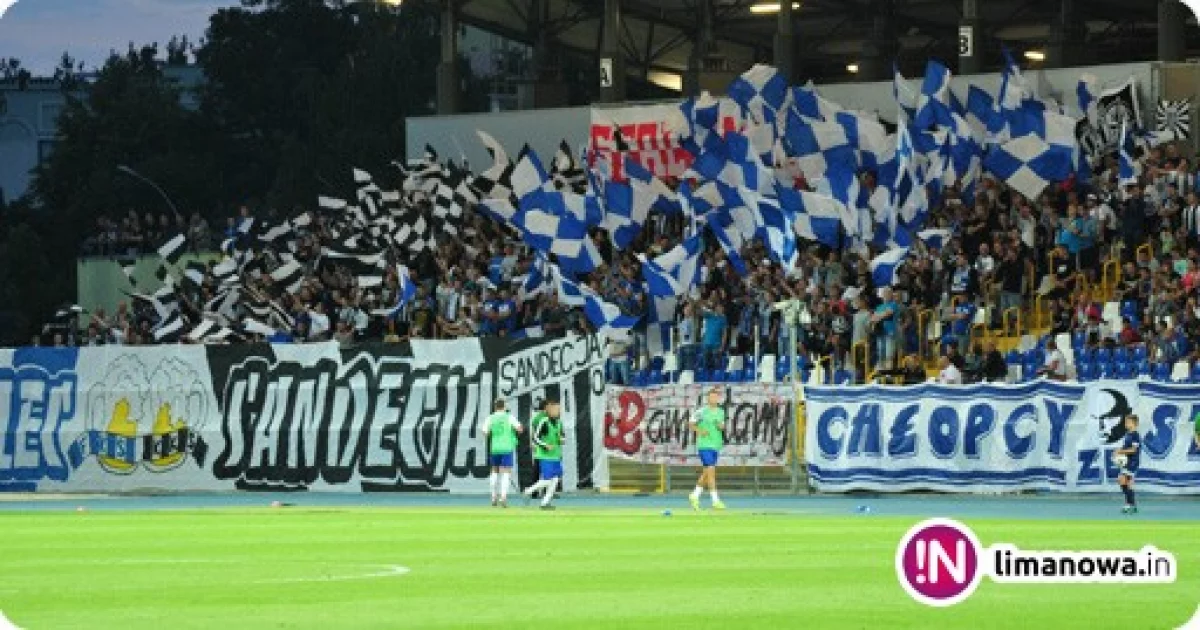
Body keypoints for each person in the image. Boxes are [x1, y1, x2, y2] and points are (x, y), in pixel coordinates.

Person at [523, 397, 566, 510]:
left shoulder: (559, 423)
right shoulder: (544, 422)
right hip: (545, 456)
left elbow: (562, 436)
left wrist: (562, 440)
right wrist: (544, 445)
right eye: (555, 409)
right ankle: (529, 490)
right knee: (548, 480)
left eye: (558, 409)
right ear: (548, 410)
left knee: (555, 479)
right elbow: (535, 438)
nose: (557, 411)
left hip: (556, 455)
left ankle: (545, 502)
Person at [688, 387, 726, 511]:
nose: (714, 399)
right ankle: (715, 500)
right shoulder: (701, 411)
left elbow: (722, 426)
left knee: (706, 473)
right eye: (711, 397)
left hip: (715, 445)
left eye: (716, 397)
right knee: (711, 473)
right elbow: (691, 423)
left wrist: (721, 426)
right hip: (704, 445)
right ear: (708, 398)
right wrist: (699, 430)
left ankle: (694, 495)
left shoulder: (721, 412)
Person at [482, 399, 523, 507]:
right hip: (507, 447)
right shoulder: (509, 417)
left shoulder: (490, 418)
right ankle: (503, 497)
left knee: (494, 471)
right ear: (504, 406)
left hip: (495, 448)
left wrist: (494, 434)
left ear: (495, 407)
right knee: (506, 472)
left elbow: (485, 433)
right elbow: (520, 429)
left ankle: (493, 497)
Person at [1114, 414, 1141, 515]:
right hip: (1127, 462)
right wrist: (1118, 452)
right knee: (1124, 482)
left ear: (1135, 424)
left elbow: (1133, 450)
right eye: (1126, 422)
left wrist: (1120, 452)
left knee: (1125, 481)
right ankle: (1131, 504)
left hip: (1132, 462)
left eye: (1128, 422)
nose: (1126, 424)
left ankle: (1130, 504)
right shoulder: (1128, 434)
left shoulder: (1135, 435)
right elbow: (1125, 447)